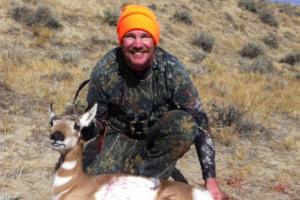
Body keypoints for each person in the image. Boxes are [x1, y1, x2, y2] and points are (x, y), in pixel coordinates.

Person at [84, 4, 223, 200]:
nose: (138, 44)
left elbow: (200, 123)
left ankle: (148, 183)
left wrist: (211, 181)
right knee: (98, 189)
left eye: (145, 36)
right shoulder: (106, 69)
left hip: (155, 135)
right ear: (121, 40)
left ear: (154, 41)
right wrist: (74, 133)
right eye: (130, 36)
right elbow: (97, 118)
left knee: (185, 123)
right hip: (119, 135)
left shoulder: (172, 70)